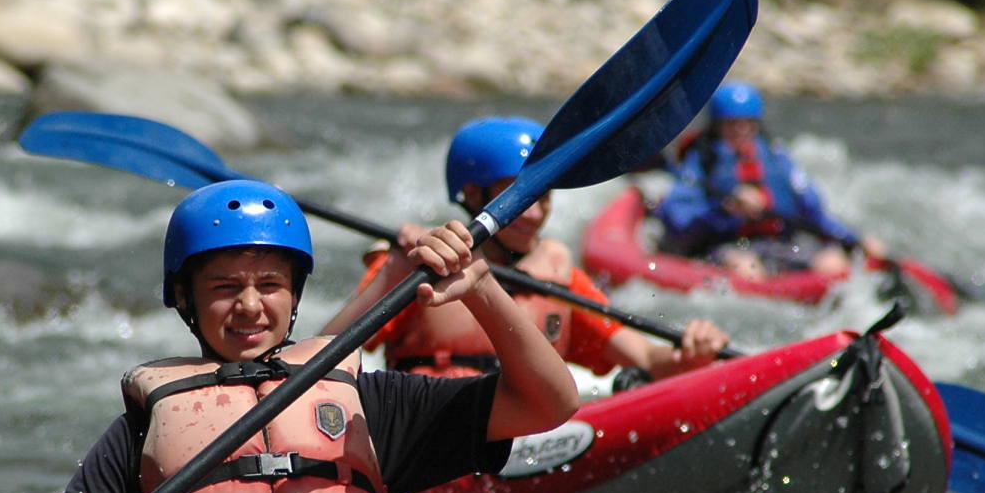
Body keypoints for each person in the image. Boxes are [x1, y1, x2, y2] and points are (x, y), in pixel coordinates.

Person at [0, 178, 580, 493]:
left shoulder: (361, 402)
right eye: (225, 287)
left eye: (269, 285)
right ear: (184, 297)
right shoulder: (145, 426)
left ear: (295, 295)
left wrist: (479, 286)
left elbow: (548, 403)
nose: (250, 306)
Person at [322, 116, 730, 390]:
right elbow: (318, 356)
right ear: (471, 195)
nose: (534, 214)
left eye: (542, 196)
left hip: (525, 435)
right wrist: (394, 270)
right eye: (515, 199)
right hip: (433, 435)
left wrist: (691, 355)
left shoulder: (558, 275)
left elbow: (646, 357)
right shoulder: (421, 262)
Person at [654, 82, 887, 279]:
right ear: (717, 126)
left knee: (832, 264)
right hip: (729, 244)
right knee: (747, 269)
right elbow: (679, 222)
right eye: (732, 125)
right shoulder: (703, 161)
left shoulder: (777, 158)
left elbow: (813, 213)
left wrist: (854, 240)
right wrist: (724, 211)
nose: (741, 131)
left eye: (747, 124)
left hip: (780, 242)